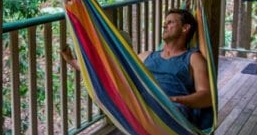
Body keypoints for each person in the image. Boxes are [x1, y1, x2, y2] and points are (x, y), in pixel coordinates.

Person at [61, 8, 212, 120]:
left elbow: (206, 97)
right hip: (140, 106)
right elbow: (109, 69)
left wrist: (176, 100)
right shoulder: (147, 55)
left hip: (172, 111)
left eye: (170, 22)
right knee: (112, 77)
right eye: (164, 23)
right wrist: (72, 61)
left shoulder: (193, 58)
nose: (164, 26)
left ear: (185, 28)